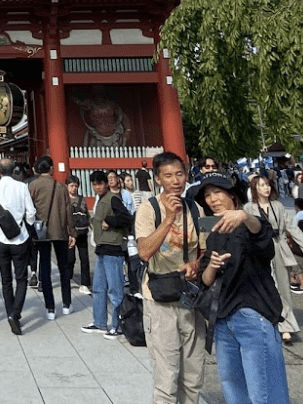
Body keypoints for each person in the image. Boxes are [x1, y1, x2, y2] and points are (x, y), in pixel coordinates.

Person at [195, 173, 290, 404]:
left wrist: (245, 216)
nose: (212, 199)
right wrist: (212, 267)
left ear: (232, 196)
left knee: (264, 391)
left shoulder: (250, 224)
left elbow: (264, 239)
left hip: (252, 315)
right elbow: (205, 280)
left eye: (217, 192)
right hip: (223, 319)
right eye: (207, 195)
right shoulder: (214, 233)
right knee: (233, 390)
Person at [134, 152, 206, 404]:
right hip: (159, 299)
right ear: (157, 179)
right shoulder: (148, 209)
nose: (176, 180)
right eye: (168, 175)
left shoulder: (195, 209)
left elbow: (204, 250)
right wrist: (168, 219)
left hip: (189, 298)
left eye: (180, 174)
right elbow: (144, 251)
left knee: (193, 377)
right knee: (166, 379)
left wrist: (197, 264)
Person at [244, 174, 303, 345]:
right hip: (259, 249)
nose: (266, 188)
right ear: (255, 189)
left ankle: (286, 326)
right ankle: (268, 321)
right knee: (264, 286)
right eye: (261, 185)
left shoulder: (278, 206)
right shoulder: (248, 208)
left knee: (283, 288)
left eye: (267, 185)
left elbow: (292, 226)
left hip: (279, 246)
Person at [0, 157, 36, 336]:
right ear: (14, 170)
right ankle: (16, 313)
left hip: (1, 238)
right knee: (21, 278)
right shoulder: (22, 187)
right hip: (20, 238)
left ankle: (9, 313)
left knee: (6, 280)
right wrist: (26, 224)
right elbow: (31, 213)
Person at [81, 169, 132, 337]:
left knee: (115, 290)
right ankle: (99, 322)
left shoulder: (113, 198)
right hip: (102, 249)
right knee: (98, 288)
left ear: (106, 183)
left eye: (100, 184)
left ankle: (117, 325)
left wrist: (110, 221)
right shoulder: (101, 199)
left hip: (113, 249)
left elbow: (126, 218)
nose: (97, 187)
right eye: (94, 185)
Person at [28, 156, 74, 321]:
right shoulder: (61, 187)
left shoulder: (33, 186)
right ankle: (67, 304)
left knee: (45, 268)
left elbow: (29, 210)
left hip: (42, 232)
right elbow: (69, 211)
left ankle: (50, 308)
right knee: (64, 268)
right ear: (52, 168)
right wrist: (72, 232)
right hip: (60, 231)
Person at [66, 175, 91, 296]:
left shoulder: (81, 199)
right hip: (69, 234)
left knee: (84, 259)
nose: (74, 188)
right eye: (71, 186)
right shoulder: (64, 200)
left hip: (82, 232)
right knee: (70, 259)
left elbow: (87, 214)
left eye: (76, 186)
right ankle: (68, 278)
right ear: (67, 186)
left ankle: (85, 283)